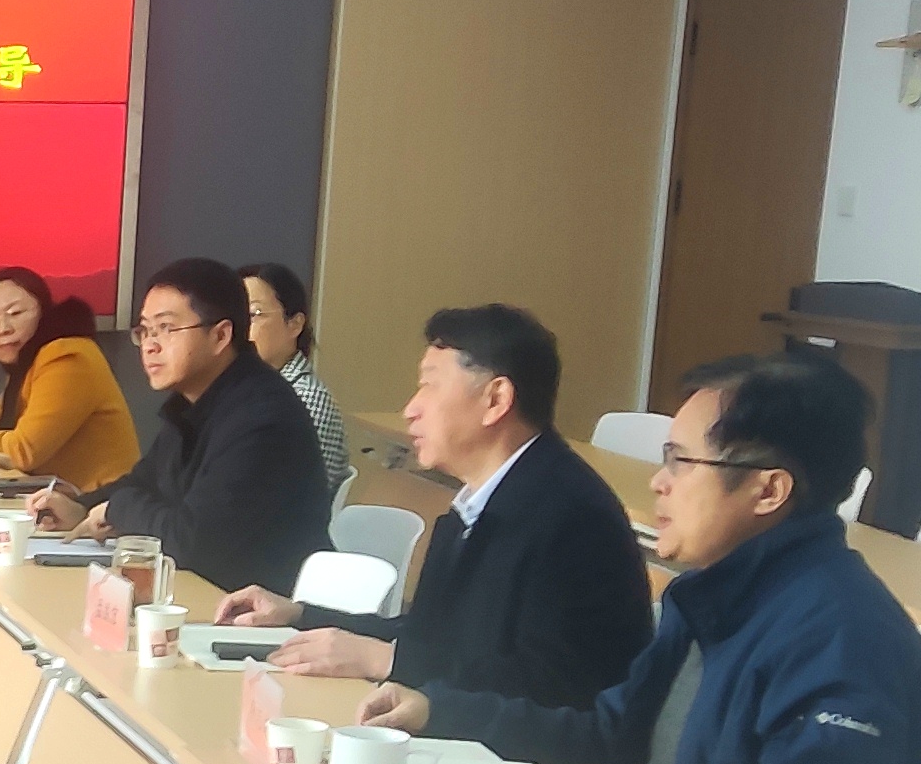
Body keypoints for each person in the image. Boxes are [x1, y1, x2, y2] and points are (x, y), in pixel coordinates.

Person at [363, 353, 921, 764]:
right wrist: (440, 710)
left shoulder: (845, 637)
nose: (658, 483)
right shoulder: (708, 596)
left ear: (768, 490)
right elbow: (606, 740)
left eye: (681, 462)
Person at [212, 302, 649, 707]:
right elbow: (430, 636)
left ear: (496, 400)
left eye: (429, 386)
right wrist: (299, 615)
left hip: (533, 763)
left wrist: (386, 660)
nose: (411, 409)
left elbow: (548, 686)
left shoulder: (568, 516)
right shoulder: (480, 500)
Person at [38, 259, 333, 600]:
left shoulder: (263, 418)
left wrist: (116, 509)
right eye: (145, 330)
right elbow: (144, 482)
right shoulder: (196, 401)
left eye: (166, 328)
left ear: (220, 335)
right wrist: (81, 506)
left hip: (259, 614)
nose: (150, 345)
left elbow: (191, 542)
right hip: (203, 595)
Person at [0, 264, 139, 493]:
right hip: (58, 499)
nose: (3, 328)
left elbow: (23, 450)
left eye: (15, 313)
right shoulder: (28, 360)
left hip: (100, 505)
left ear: (43, 313)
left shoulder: (67, 356)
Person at [241, 263, 353, 492]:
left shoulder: (306, 397)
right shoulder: (247, 391)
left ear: (294, 324)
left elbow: (285, 494)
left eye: (253, 315)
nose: (240, 328)